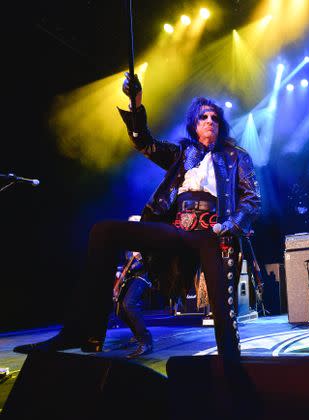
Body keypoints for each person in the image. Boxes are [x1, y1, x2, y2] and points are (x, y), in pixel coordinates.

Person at [14, 73, 261, 362]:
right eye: (203, 117)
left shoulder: (235, 156)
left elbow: (252, 200)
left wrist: (228, 225)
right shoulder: (182, 154)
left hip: (213, 234)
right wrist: (136, 105)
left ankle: (230, 360)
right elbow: (144, 142)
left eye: (215, 118)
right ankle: (84, 331)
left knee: (222, 308)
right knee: (103, 232)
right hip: (178, 228)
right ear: (194, 125)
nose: (209, 121)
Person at [112, 215, 153, 358]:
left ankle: (146, 342)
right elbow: (125, 263)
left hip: (143, 275)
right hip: (130, 276)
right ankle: (137, 334)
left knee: (129, 304)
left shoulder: (147, 240)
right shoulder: (129, 244)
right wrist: (119, 272)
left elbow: (154, 260)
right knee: (119, 311)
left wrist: (142, 256)